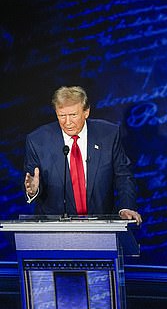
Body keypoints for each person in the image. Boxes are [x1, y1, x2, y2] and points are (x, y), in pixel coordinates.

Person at [24, 86, 142, 224]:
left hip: (101, 225)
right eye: (62, 116)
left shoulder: (108, 134)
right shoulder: (37, 141)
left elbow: (123, 175)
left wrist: (126, 207)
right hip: (55, 229)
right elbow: (31, 181)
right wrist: (33, 190)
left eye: (73, 115)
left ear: (86, 112)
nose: (67, 122)